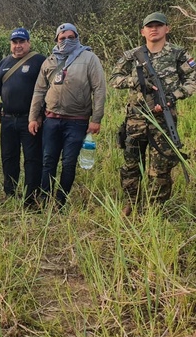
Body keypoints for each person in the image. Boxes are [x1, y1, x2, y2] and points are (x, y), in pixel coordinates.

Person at [110, 12, 196, 214]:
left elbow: (192, 80)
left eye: (159, 25)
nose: (154, 29)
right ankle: (132, 202)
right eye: (149, 26)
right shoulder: (132, 55)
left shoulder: (179, 54)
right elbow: (115, 78)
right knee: (131, 163)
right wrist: (135, 81)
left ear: (168, 28)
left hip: (164, 119)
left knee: (161, 167)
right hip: (136, 118)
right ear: (143, 31)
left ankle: (155, 209)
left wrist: (172, 97)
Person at [28, 23, 106, 208]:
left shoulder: (89, 58)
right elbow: (39, 91)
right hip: (51, 120)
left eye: (71, 37)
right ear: (56, 40)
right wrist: (33, 117)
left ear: (77, 37)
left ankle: (60, 202)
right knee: (48, 161)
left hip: (77, 121)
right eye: (62, 38)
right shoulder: (49, 62)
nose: (66, 41)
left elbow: (99, 90)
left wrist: (96, 119)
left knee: (69, 163)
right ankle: (45, 200)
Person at [0, 28, 46, 206]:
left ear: (28, 43)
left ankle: (31, 197)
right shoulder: (4, 62)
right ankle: (10, 192)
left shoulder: (39, 61)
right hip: (8, 119)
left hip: (30, 120)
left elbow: (47, 90)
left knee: (32, 158)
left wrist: (40, 115)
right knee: (9, 156)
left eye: (21, 42)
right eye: (14, 42)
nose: (18, 46)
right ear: (11, 44)